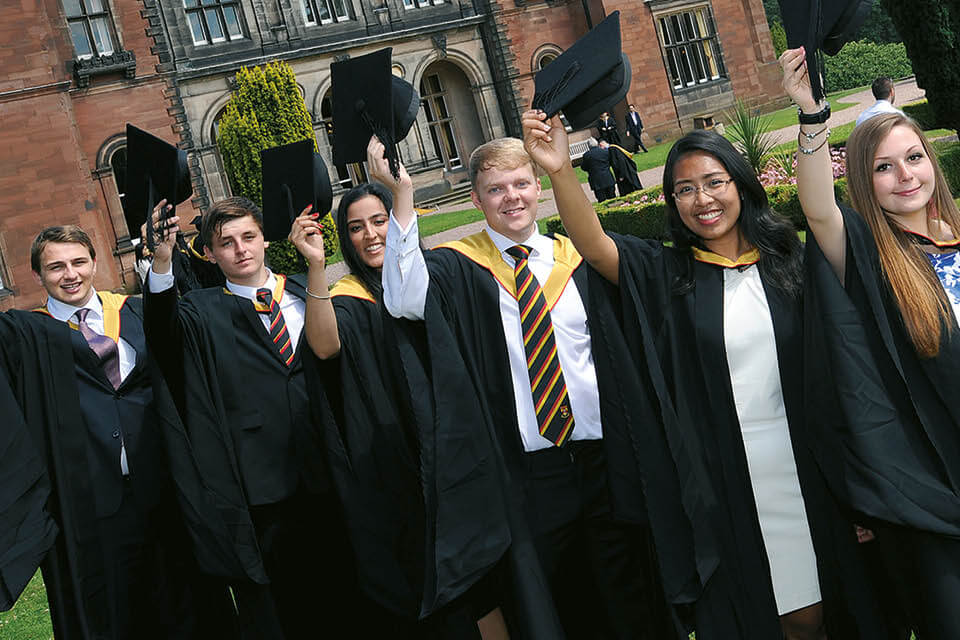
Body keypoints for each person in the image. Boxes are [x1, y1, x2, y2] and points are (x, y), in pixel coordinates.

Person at [522, 108, 898, 640]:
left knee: (829, 610)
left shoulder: (790, 261)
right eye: (685, 189)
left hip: (810, 467)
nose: (702, 199)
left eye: (714, 182)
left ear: (740, 184)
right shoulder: (669, 275)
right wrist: (561, 170)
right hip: (729, 482)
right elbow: (596, 245)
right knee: (770, 616)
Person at [381, 134, 677, 639]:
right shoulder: (458, 267)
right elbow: (403, 299)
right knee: (551, 609)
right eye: (495, 189)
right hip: (529, 475)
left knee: (629, 602)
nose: (511, 197)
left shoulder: (577, 258)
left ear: (538, 187)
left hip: (605, 462)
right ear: (476, 200)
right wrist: (401, 196)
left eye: (520, 184)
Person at [291, 178, 522, 639]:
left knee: (486, 583)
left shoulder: (429, 276)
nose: (371, 234)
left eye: (379, 221)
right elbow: (324, 346)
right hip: (402, 467)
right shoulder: (348, 297)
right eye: (356, 227)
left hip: (459, 448)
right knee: (440, 589)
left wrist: (402, 196)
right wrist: (315, 267)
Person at [782, 46, 960, 638]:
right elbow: (818, 210)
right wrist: (812, 117)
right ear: (864, 179)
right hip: (933, 483)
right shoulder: (867, 254)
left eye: (914, 158)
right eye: (885, 167)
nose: (905, 175)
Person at [0, 225, 236, 639]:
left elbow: (177, 351)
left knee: (189, 606)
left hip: (164, 491)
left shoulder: (136, 313)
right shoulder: (24, 337)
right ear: (37, 275)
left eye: (78, 262)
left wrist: (162, 262)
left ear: (95, 263)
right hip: (88, 509)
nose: (70, 274)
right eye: (55, 267)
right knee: (111, 618)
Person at [143, 197, 360, 639]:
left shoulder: (305, 289)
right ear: (209, 253)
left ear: (265, 240)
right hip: (264, 491)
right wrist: (162, 262)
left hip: (333, 470)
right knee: (292, 610)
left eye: (249, 237)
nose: (241, 249)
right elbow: (162, 333)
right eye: (226, 243)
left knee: (352, 595)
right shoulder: (199, 311)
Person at [581, 137, 617, 202]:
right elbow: (611, 162)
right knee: (613, 198)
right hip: (607, 177)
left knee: (601, 200)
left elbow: (584, 167)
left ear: (589, 146)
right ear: (597, 144)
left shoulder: (586, 155)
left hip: (596, 181)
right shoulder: (605, 151)